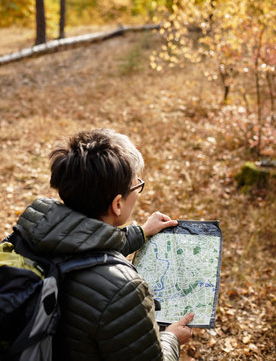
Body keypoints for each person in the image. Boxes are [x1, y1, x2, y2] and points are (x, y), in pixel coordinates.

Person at [16, 128, 194, 360]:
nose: (138, 191)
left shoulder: (35, 230)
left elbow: (82, 245)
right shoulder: (124, 290)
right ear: (117, 204)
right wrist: (171, 338)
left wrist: (141, 232)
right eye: (136, 185)